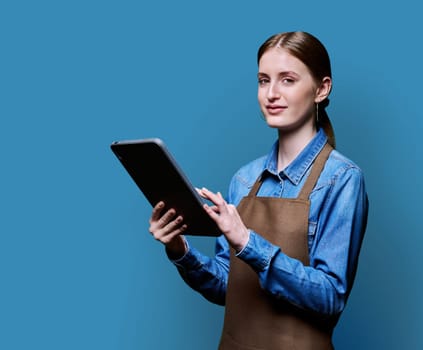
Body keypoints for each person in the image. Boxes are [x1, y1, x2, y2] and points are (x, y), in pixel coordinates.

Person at [148, 31, 368, 350]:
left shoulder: (342, 178)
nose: (271, 93)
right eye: (264, 80)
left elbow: (330, 296)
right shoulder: (244, 179)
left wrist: (248, 243)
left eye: (287, 80)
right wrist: (180, 250)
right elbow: (228, 287)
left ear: (322, 89)